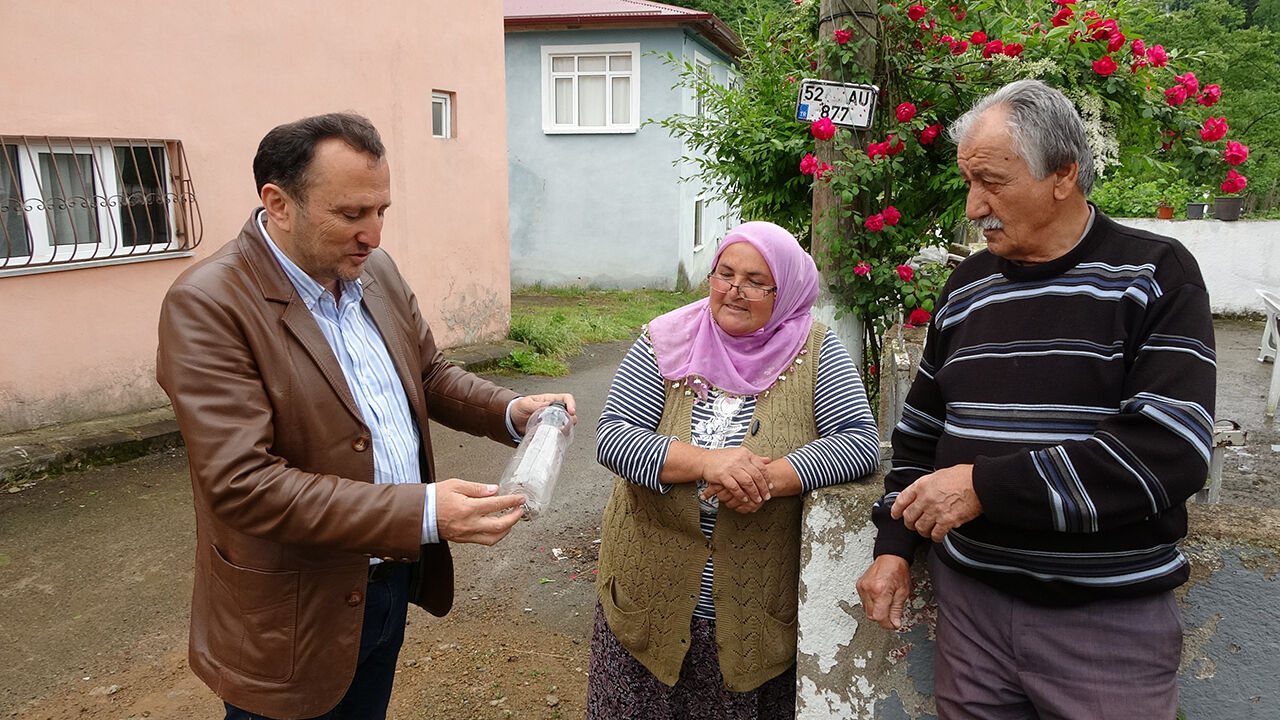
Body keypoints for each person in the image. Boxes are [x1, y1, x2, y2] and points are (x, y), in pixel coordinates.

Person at [155, 112, 575, 720]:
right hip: (289, 613)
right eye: (351, 213)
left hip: (386, 582)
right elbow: (243, 484)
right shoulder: (208, 304)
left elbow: (426, 374)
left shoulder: (370, 270)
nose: (373, 235)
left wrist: (509, 410)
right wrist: (424, 512)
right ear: (278, 204)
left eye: (381, 211)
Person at [856, 79, 1216, 718]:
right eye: (969, 182)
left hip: (1104, 626)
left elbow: (1169, 451)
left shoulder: (1153, 275)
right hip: (970, 614)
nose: (975, 206)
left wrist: (984, 487)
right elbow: (918, 438)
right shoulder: (966, 288)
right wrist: (893, 549)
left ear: (1064, 175)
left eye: (992, 182)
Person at [588, 221, 881, 718]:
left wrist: (765, 479)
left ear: (785, 291)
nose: (734, 291)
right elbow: (614, 437)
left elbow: (859, 442)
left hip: (751, 618)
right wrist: (709, 463)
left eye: (755, 282)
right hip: (648, 602)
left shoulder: (817, 351)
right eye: (724, 274)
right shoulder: (667, 339)